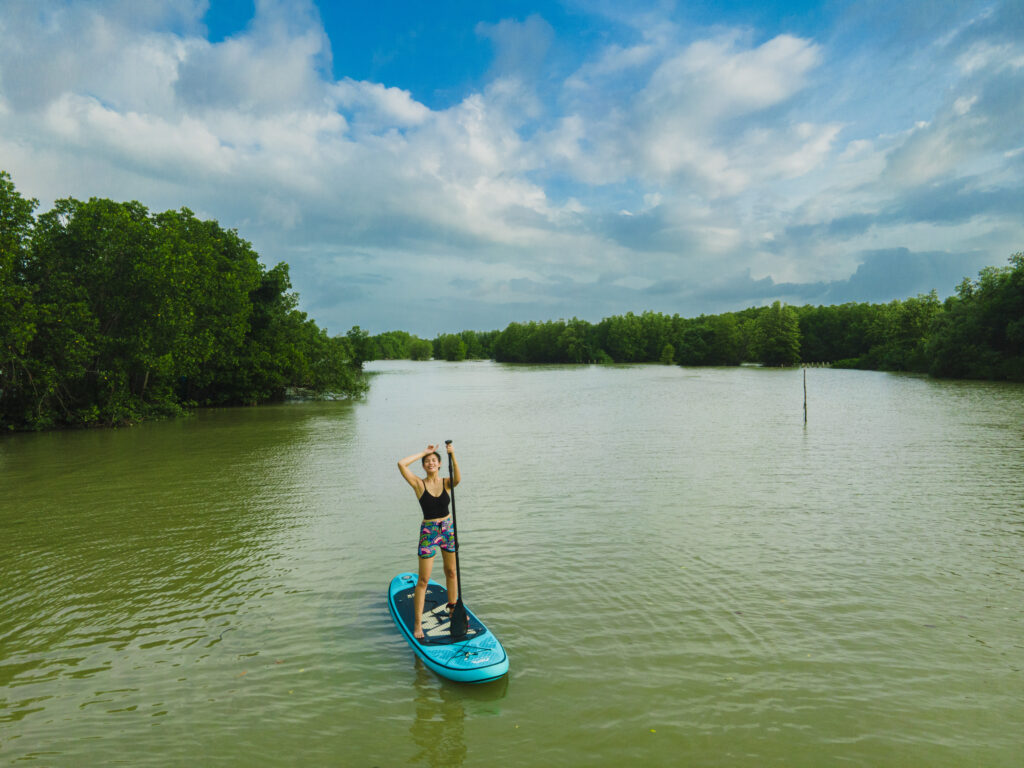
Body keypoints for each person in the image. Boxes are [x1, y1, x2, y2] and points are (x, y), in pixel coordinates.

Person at [398, 442, 461, 639]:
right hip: (429, 531)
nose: (431, 463)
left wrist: (453, 455)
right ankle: (418, 624)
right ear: (424, 466)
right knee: (423, 580)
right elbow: (401, 464)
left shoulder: (446, 482)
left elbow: (458, 479)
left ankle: (453, 610)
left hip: (448, 529)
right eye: (427, 462)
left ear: (440, 464)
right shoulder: (419, 484)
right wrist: (423, 452)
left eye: (434, 460)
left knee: (451, 572)